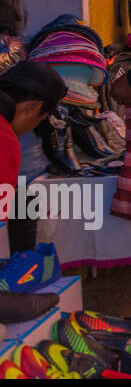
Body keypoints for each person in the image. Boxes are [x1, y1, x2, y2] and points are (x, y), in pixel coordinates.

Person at [0, 62, 68, 254]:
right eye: (40, 118)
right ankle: (14, 275)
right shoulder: (4, 136)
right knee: (24, 202)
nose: (34, 125)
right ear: (32, 108)